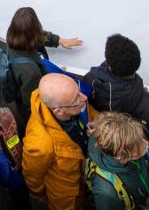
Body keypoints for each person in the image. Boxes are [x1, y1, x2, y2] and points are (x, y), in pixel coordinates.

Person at [84, 34, 149, 158]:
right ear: (138, 62)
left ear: (109, 63)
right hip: (133, 159)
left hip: (99, 152)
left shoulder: (90, 80)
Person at [22, 73, 96, 210]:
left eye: (78, 91)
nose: (84, 98)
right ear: (59, 111)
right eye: (77, 99)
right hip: (67, 197)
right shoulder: (40, 145)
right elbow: (32, 176)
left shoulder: (66, 99)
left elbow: (91, 113)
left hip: (84, 178)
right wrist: (38, 193)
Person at [86, 111, 149, 210]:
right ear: (122, 157)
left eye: (142, 138)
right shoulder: (107, 192)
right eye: (138, 147)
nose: (146, 143)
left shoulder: (134, 137)